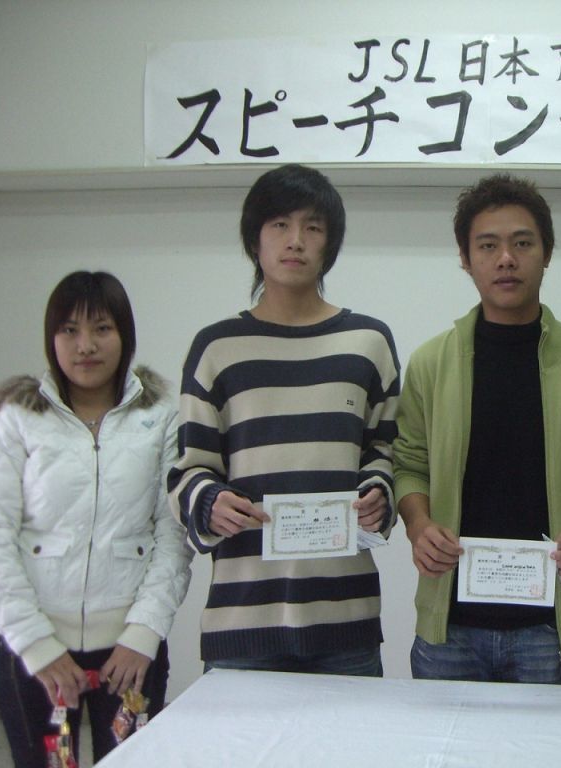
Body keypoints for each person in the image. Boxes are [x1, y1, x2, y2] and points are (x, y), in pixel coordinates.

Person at [167, 164, 400, 676]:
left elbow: (384, 453)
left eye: (312, 227)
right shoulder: (216, 348)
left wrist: (379, 495)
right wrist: (208, 502)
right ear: (255, 240)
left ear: (329, 244)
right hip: (243, 618)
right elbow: (187, 470)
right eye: (279, 225)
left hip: (346, 615)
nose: (296, 240)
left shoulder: (369, 343)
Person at [393, 173, 561, 684]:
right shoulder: (431, 363)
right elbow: (409, 464)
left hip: (551, 627)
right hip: (450, 625)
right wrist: (419, 526)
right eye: (488, 246)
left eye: (522, 243)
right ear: (465, 257)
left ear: (547, 253)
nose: (506, 259)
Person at [0, 271, 192, 767]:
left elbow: (173, 537)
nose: (85, 345)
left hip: (128, 657)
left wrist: (143, 635)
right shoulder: (19, 418)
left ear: (124, 335)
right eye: (69, 330)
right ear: (51, 338)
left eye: (102, 328)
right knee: (53, 762)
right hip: (37, 656)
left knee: (128, 761)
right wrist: (36, 645)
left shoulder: (160, 419)